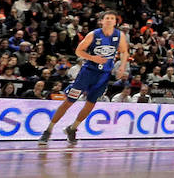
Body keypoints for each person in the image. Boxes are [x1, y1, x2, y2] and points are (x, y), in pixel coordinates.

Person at [38, 11, 128, 145]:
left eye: (112, 18)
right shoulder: (93, 34)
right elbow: (78, 51)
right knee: (69, 101)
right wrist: (93, 58)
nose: (109, 20)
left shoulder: (119, 35)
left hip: (104, 75)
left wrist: (122, 67)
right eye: (107, 18)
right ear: (102, 21)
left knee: (90, 104)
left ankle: (72, 128)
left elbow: (124, 52)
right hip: (88, 72)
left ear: (115, 22)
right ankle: (48, 130)